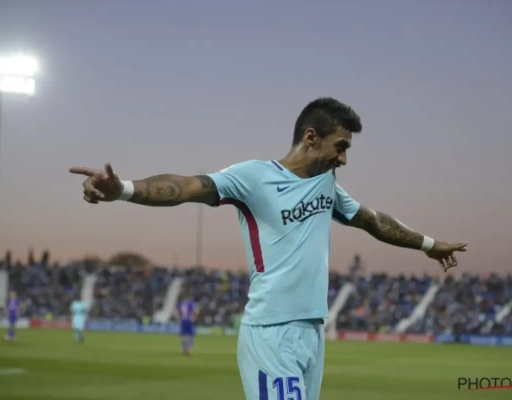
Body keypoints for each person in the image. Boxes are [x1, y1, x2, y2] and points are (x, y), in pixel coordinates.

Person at [70, 97, 468, 400]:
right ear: (311, 137)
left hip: (312, 332)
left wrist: (429, 245)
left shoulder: (326, 185)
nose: (344, 158)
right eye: (340, 146)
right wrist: (122, 189)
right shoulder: (254, 177)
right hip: (272, 332)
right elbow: (188, 186)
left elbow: (373, 220)